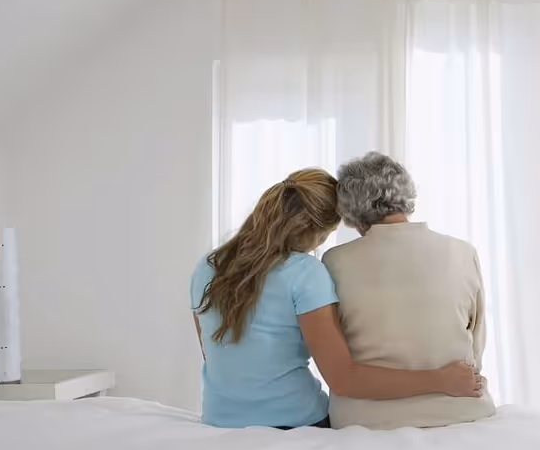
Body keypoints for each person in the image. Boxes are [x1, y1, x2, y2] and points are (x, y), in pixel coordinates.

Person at [190, 168, 483, 429]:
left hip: (219, 417)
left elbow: (213, 353)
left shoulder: (207, 266)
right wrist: (441, 379)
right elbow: (344, 379)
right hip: (295, 420)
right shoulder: (305, 273)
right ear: (317, 231)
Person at [323, 152, 496, 430]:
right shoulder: (463, 252)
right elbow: (476, 343)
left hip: (365, 419)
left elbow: (335, 359)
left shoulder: (335, 261)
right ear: (406, 195)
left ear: (350, 210)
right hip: (459, 409)